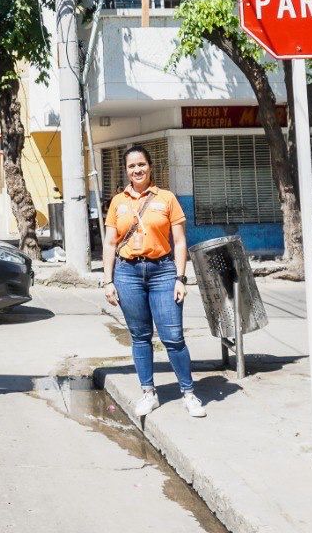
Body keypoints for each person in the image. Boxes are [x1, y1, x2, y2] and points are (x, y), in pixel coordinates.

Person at [101, 145, 205, 419]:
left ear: (150, 166)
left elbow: (180, 242)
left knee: (173, 337)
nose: (137, 170)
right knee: (140, 336)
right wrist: (107, 280)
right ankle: (148, 392)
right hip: (127, 273)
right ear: (126, 170)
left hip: (162, 272)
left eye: (141, 165)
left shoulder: (167, 198)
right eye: (132, 166)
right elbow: (110, 243)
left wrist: (181, 278)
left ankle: (189, 393)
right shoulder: (117, 202)